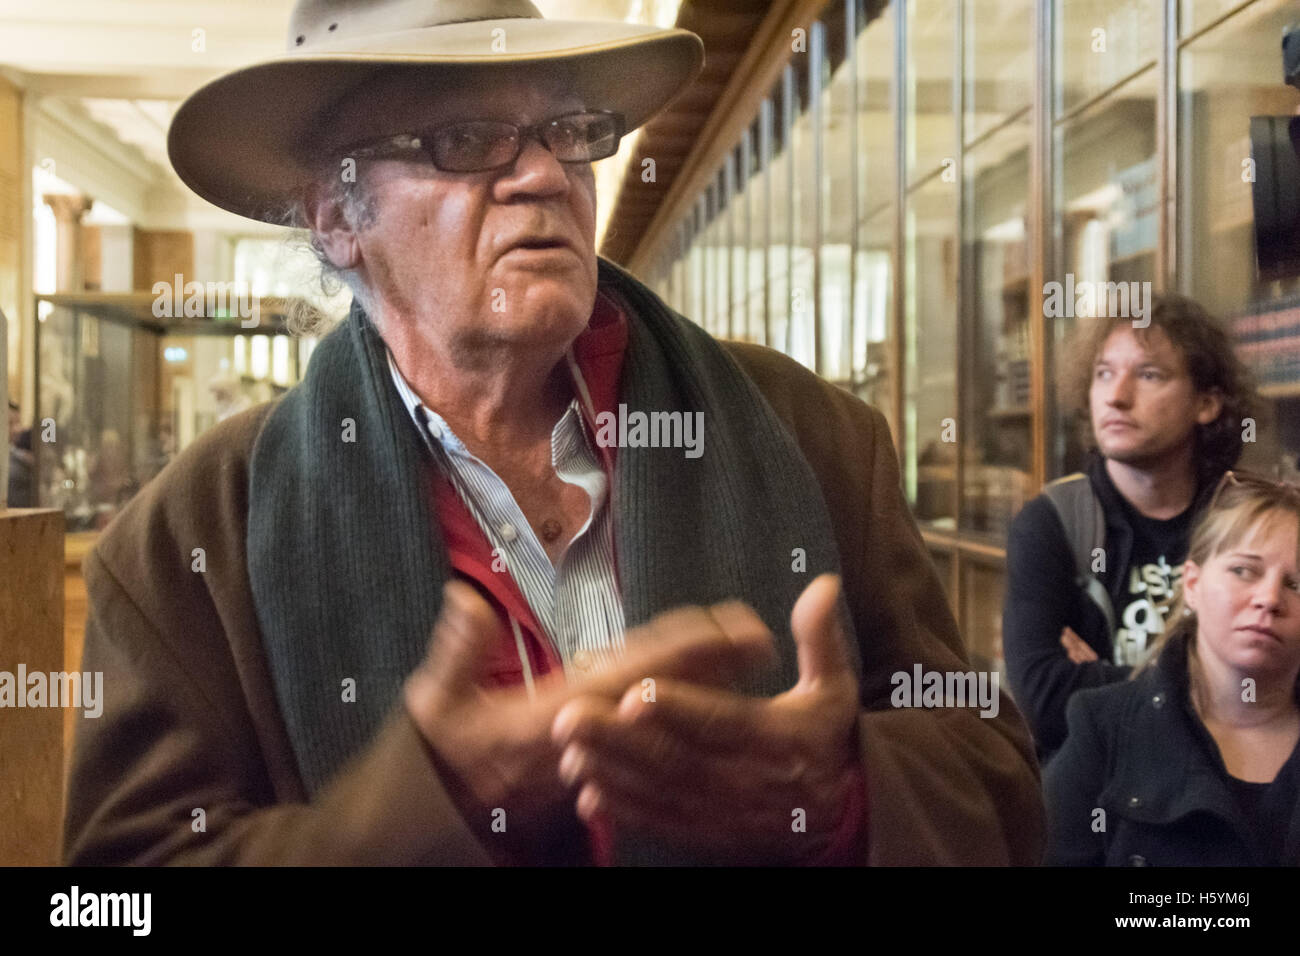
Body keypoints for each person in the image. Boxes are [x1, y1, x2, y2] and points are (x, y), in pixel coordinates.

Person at [62, 0, 1044, 866]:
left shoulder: (814, 434)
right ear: (335, 216)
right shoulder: (189, 539)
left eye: (566, 130)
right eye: (463, 140)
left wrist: (840, 799)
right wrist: (424, 809)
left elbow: (1001, 779)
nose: (543, 175)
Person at [1004, 294, 1258, 760]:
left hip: (1221, 789)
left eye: (1148, 374)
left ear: (1205, 403)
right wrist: (1208, 677)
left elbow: (1275, 687)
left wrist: (1102, 675)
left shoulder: (1247, 523)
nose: (1117, 396)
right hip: (1094, 795)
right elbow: (1041, 701)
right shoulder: (1052, 521)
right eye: (1103, 373)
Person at [1044, 471, 1300, 865]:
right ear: (1192, 584)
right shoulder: (1102, 730)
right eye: (1244, 570)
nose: (1269, 598)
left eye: (1296, 584)